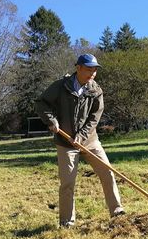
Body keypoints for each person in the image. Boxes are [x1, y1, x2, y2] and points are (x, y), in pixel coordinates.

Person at [35, 54, 124, 228]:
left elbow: (94, 118)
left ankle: (117, 211)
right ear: (78, 68)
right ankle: (67, 221)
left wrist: (82, 135)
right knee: (67, 182)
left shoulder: (96, 90)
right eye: (89, 69)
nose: (93, 73)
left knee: (108, 172)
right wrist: (51, 120)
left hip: (90, 141)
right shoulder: (61, 86)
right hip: (65, 143)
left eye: (95, 70)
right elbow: (41, 103)